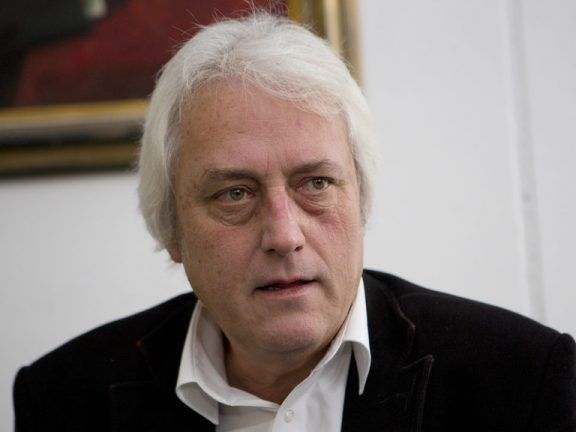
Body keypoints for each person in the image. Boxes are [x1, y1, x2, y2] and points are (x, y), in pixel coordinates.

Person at [13, 12, 575, 432]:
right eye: (234, 194)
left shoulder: (521, 379)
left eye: (316, 184)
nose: (284, 236)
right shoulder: (65, 399)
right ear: (170, 229)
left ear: (360, 199)